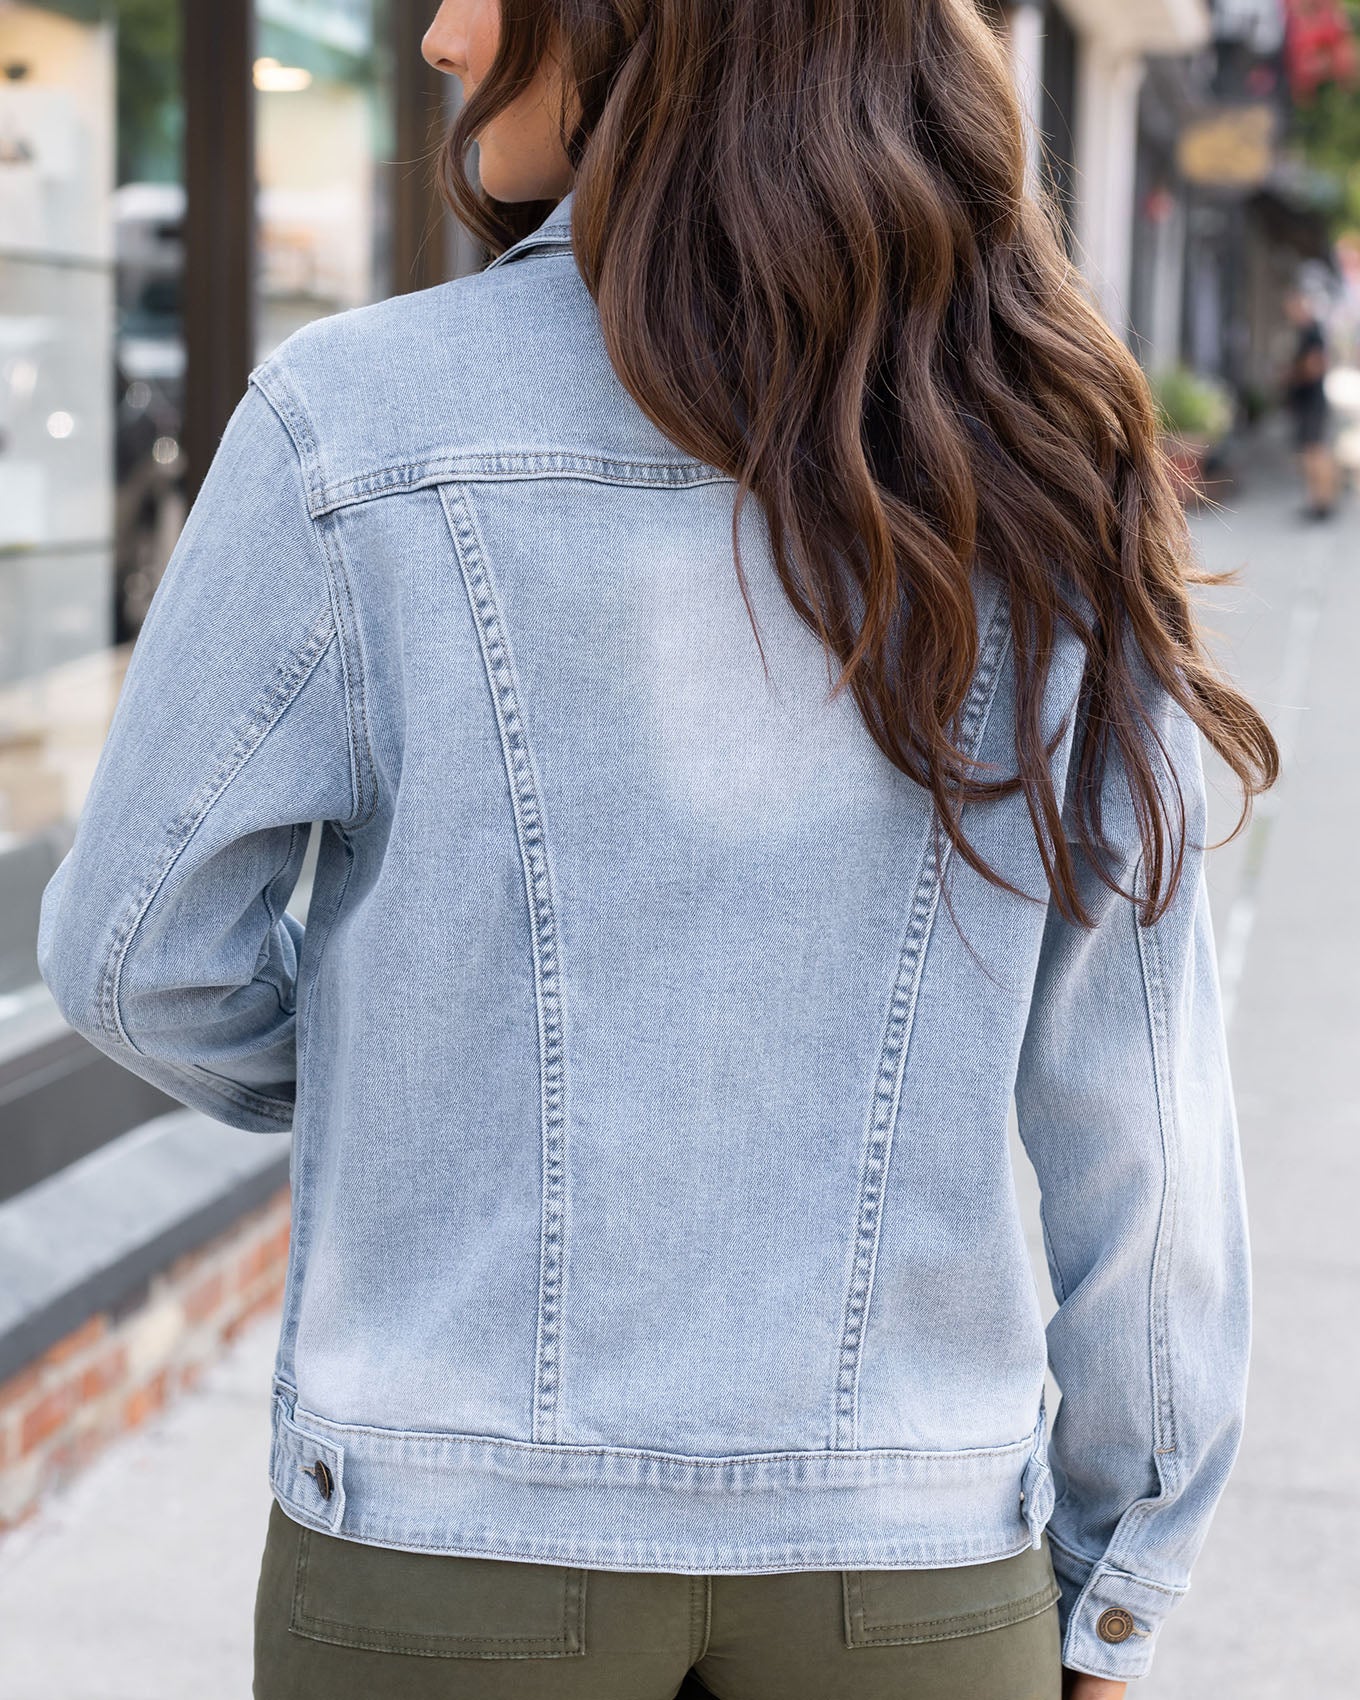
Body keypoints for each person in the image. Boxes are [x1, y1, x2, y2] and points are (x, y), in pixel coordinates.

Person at [35, 0, 1279, 1696]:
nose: (442, 36)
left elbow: (128, 961)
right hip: (903, 1559)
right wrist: (1124, 1565)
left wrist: (438, 1085)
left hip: (440, 1535)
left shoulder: (354, 426)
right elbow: (1143, 1116)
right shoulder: (1043, 455)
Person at [1282, 287, 1338, 520]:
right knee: (1311, 451)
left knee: (1315, 451)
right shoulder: (1307, 331)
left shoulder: (1311, 332)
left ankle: (1322, 503)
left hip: (1312, 401)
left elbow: (1316, 365)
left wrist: (1292, 374)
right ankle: (1318, 501)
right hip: (1308, 401)